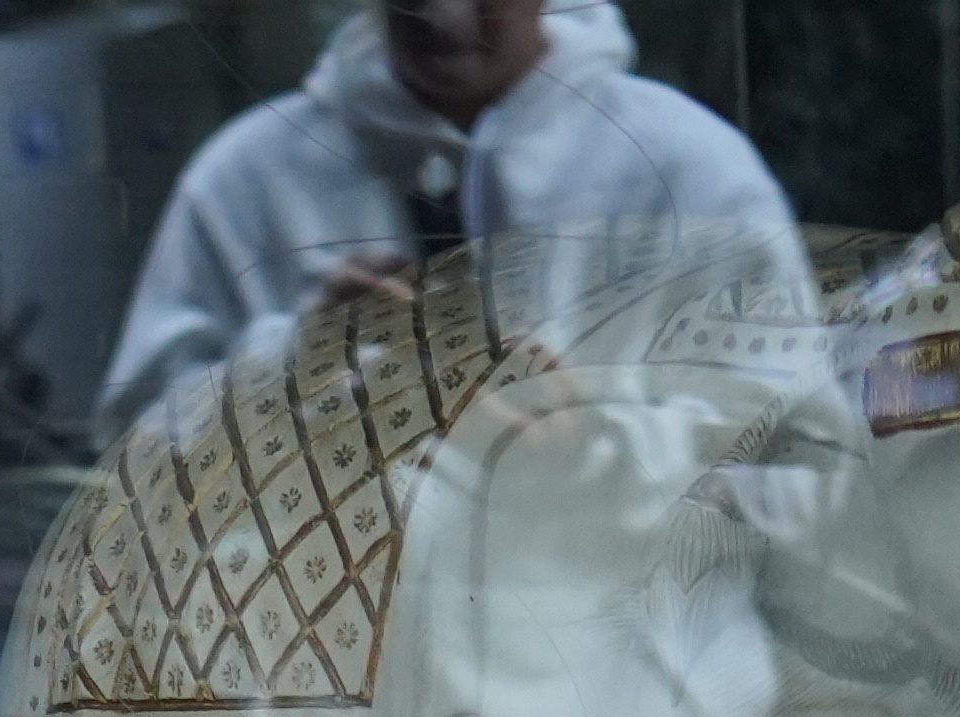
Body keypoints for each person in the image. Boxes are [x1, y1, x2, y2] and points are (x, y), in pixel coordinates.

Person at [96, 0, 800, 444]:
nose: (444, 13)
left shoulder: (686, 167)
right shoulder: (242, 179)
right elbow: (131, 455)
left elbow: (803, 460)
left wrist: (597, 454)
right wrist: (291, 363)